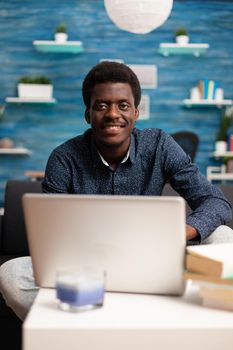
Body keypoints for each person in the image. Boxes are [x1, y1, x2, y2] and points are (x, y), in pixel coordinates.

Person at [0, 61, 232, 321]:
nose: (113, 114)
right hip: (87, 269)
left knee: (224, 238)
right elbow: (49, 235)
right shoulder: (64, 159)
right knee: (11, 274)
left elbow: (216, 201)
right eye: (101, 106)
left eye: (123, 105)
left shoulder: (160, 146)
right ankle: (113, 321)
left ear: (135, 112)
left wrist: (179, 233)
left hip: (156, 260)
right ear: (88, 114)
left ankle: (124, 314)